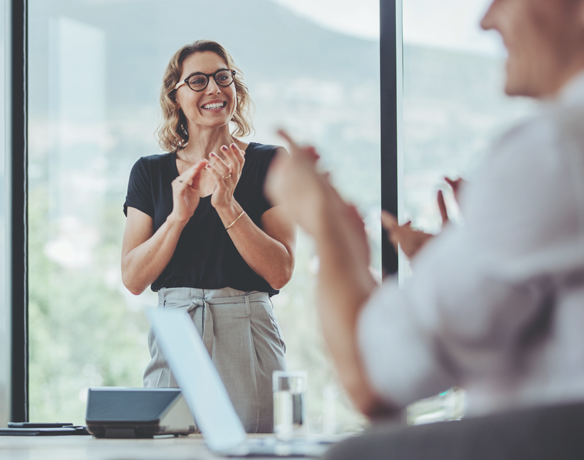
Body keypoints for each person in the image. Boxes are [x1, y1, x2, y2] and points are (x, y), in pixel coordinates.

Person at [266, 0, 584, 456]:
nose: (486, 20)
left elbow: (371, 377)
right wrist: (449, 257)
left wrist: (324, 223)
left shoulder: (553, 153)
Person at [121, 40, 295, 433]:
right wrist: (177, 218)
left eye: (223, 77)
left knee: (254, 451)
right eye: (197, 81)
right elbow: (133, 277)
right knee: (165, 449)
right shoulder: (149, 172)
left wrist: (225, 204)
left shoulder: (270, 162)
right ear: (176, 97)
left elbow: (281, 271)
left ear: (236, 87)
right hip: (176, 328)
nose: (214, 89)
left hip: (248, 324)